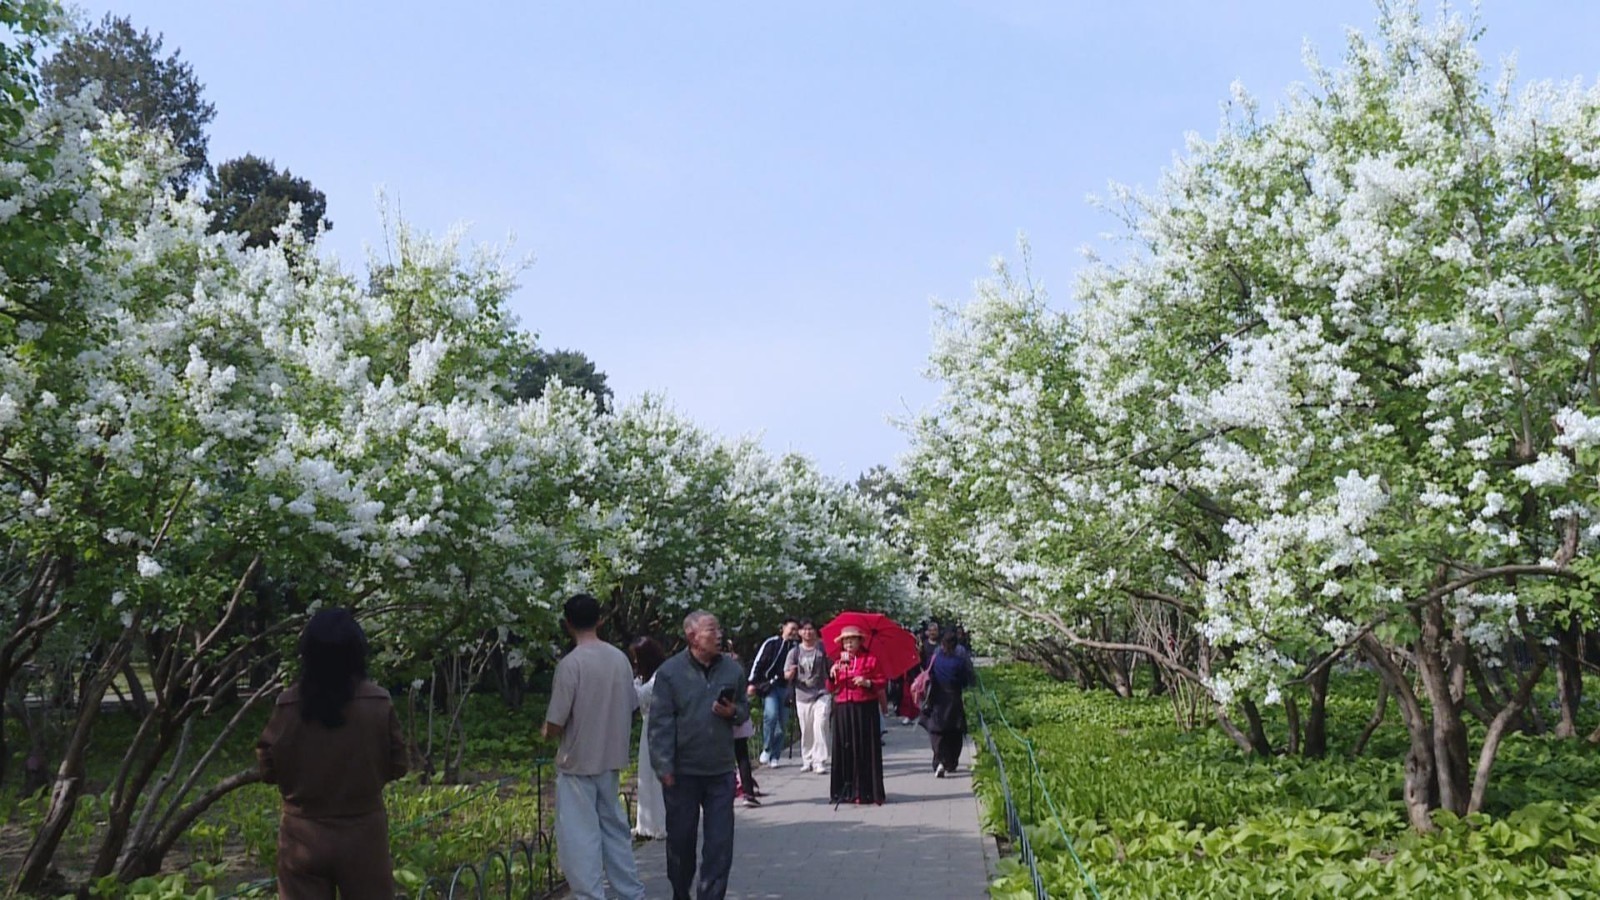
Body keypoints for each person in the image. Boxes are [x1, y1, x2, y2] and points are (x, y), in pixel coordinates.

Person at [257, 608, 407, 900]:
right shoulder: (378, 702)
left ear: (308, 654)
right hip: (364, 832)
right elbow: (398, 764)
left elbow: (267, 766)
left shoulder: (288, 706)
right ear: (357, 651)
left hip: (302, 835)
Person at [542, 594, 646, 900]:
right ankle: (630, 892)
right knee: (615, 830)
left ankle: (589, 895)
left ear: (567, 623)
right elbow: (630, 705)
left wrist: (545, 732)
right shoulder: (620, 659)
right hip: (611, 757)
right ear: (600, 620)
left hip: (577, 762)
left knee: (579, 836)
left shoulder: (571, 664)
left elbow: (556, 722)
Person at [649, 611, 750, 900]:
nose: (718, 635)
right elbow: (660, 723)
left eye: (719, 629)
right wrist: (663, 766)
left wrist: (734, 712)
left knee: (720, 843)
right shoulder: (670, 673)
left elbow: (743, 707)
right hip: (682, 773)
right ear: (693, 637)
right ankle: (681, 892)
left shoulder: (732, 670)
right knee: (681, 842)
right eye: (711, 630)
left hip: (719, 771)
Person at [827, 625, 887, 805]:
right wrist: (832, 675)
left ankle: (866, 791)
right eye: (846, 640)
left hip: (864, 707)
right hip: (843, 706)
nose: (849, 643)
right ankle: (844, 790)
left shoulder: (870, 659)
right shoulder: (838, 662)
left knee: (863, 748)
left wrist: (867, 682)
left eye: (852, 639)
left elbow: (881, 681)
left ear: (860, 641)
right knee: (844, 748)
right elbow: (831, 687)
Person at [920, 628, 976, 777]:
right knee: (955, 732)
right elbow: (965, 680)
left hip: (937, 698)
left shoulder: (935, 658)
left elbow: (929, 675)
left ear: (942, 644)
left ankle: (939, 760)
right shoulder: (959, 662)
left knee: (937, 732)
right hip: (954, 699)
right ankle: (950, 762)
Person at [629, 636, 668, 840]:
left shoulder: (661, 675)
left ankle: (661, 823)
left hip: (658, 728)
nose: (635, 662)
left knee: (656, 776)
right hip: (648, 727)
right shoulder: (646, 676)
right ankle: (646, 823)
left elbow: (641, 697)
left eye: (637, 658)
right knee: (646, 775)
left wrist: (632, 685)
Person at [747, 617, 798, 767]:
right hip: (769, 686)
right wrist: (752, 683)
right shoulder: (772, 643)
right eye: (791, 628)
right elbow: (759, 662)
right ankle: (767, 748)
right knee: (771, 714)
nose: (794, 632)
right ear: (783, 628)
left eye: (796, 629)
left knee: (782, 722)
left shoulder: (796, 648)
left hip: (786, 687)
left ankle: (775, 755)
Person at [784, 619, 831, 774]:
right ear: (799, 633)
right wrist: (790, 673)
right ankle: (807, 759)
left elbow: (831, 668)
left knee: (820, 725)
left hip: (821, 693)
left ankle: (820, 760)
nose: (807, 632)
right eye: (804, 629)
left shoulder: (823, 649)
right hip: (802, 695)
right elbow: (786, 674)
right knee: (807, 729)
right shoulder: (794, 652)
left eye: (811, 629)